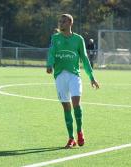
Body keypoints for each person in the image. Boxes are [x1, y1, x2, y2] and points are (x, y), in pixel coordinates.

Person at [46, 14, 100, 148]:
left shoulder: (78, 39)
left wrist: (92, 77)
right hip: (60, 76)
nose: (60, 24)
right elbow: (51, 53)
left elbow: (85, 59)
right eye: (59, 21)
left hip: (74, 75)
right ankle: (71, 138)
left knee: (76, 103)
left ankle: (80, 131)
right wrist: (49, 65)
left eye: (63, 21)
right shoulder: (55, 38)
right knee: (66, 107)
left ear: (70, 23)